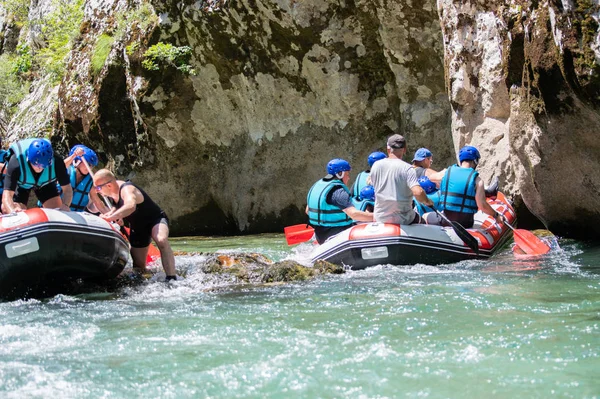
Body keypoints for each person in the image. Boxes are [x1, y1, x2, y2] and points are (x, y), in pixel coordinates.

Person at [90, 169, 177, 280]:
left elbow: (131, 206)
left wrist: (113, 216)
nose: (97, 191)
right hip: (138, 227)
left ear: (109, 185)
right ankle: (149, 278)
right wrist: (113, 213)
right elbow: (116, 205)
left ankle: (171, 278)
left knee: (161, 239)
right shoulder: (112, 191)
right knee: (139, 266)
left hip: (155, 220)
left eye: (98, 188)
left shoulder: (127, 189)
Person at [306, 158, 374, 244]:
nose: (349, 178)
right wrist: (377, 216)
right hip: (336, 234)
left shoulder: (317, 186)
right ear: (340, 174)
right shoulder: (339, 192)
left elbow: (308, 211)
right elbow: (354, 214)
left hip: (320, 234)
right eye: (347, 174)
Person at [370, 134, 434, 225]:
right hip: (404, 219)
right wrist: (427, 201)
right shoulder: (407, 168)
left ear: (388, 149)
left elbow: (372, 184)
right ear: (404, 150)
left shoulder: (376, 166)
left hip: (380, 218)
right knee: (424, 222)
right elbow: (418, 192)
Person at [436, 145, 503, 228]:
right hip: (466, 224)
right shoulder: (478, 181)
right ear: (475, 161)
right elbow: (482, 205)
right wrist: (496, 215)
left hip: (446, 221)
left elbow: (431, 178)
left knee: (427, 216)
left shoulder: (446, 173)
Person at [1, 138, 72, 214]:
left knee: (58, 211)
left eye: (43, 166)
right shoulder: (16, 162)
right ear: (28, 159)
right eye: (37, 165)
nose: (40, 168)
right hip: (22, 184)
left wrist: (65, 205)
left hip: (45, 183)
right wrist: (12, 211)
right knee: (6, 208)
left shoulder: (57, 162)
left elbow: (67, 189)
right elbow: (7, 194)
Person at [66, 145, 99, 212]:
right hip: (58, 212)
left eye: (92, 165)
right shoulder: (64, 172)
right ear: (77, 161)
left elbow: (91, 206)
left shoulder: (90, 181)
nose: (90, 167)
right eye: (88, 164)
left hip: (76, 215)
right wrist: (74, 155)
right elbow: (58, 167)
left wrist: (106, 211)